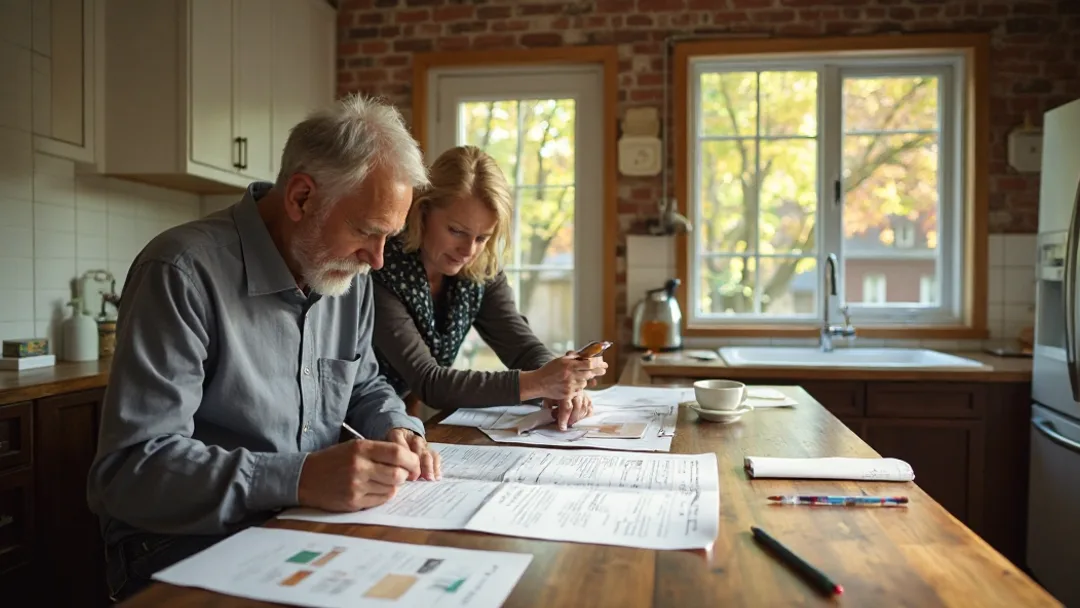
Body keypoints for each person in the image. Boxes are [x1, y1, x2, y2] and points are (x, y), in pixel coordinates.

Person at [86, 94, 442, 603]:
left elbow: (364, 384)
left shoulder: (349, 278)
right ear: (301, 197)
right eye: (367, 232)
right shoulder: (182, 272)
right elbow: (131, 472)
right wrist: (298, 478)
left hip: (299, 524)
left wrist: (395, 426)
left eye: (389, 237)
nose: (378, 259)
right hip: (180, 544)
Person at [371, 145, 607, 430]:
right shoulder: (381, 265)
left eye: (482, 237)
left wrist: (563, 383)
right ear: (423, 212)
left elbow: (521, 347)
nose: (468, 250)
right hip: (353, 422)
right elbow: (430, 382)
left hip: (398, 419)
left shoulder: (480, 269)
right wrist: (541, 382)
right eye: (456, 231)